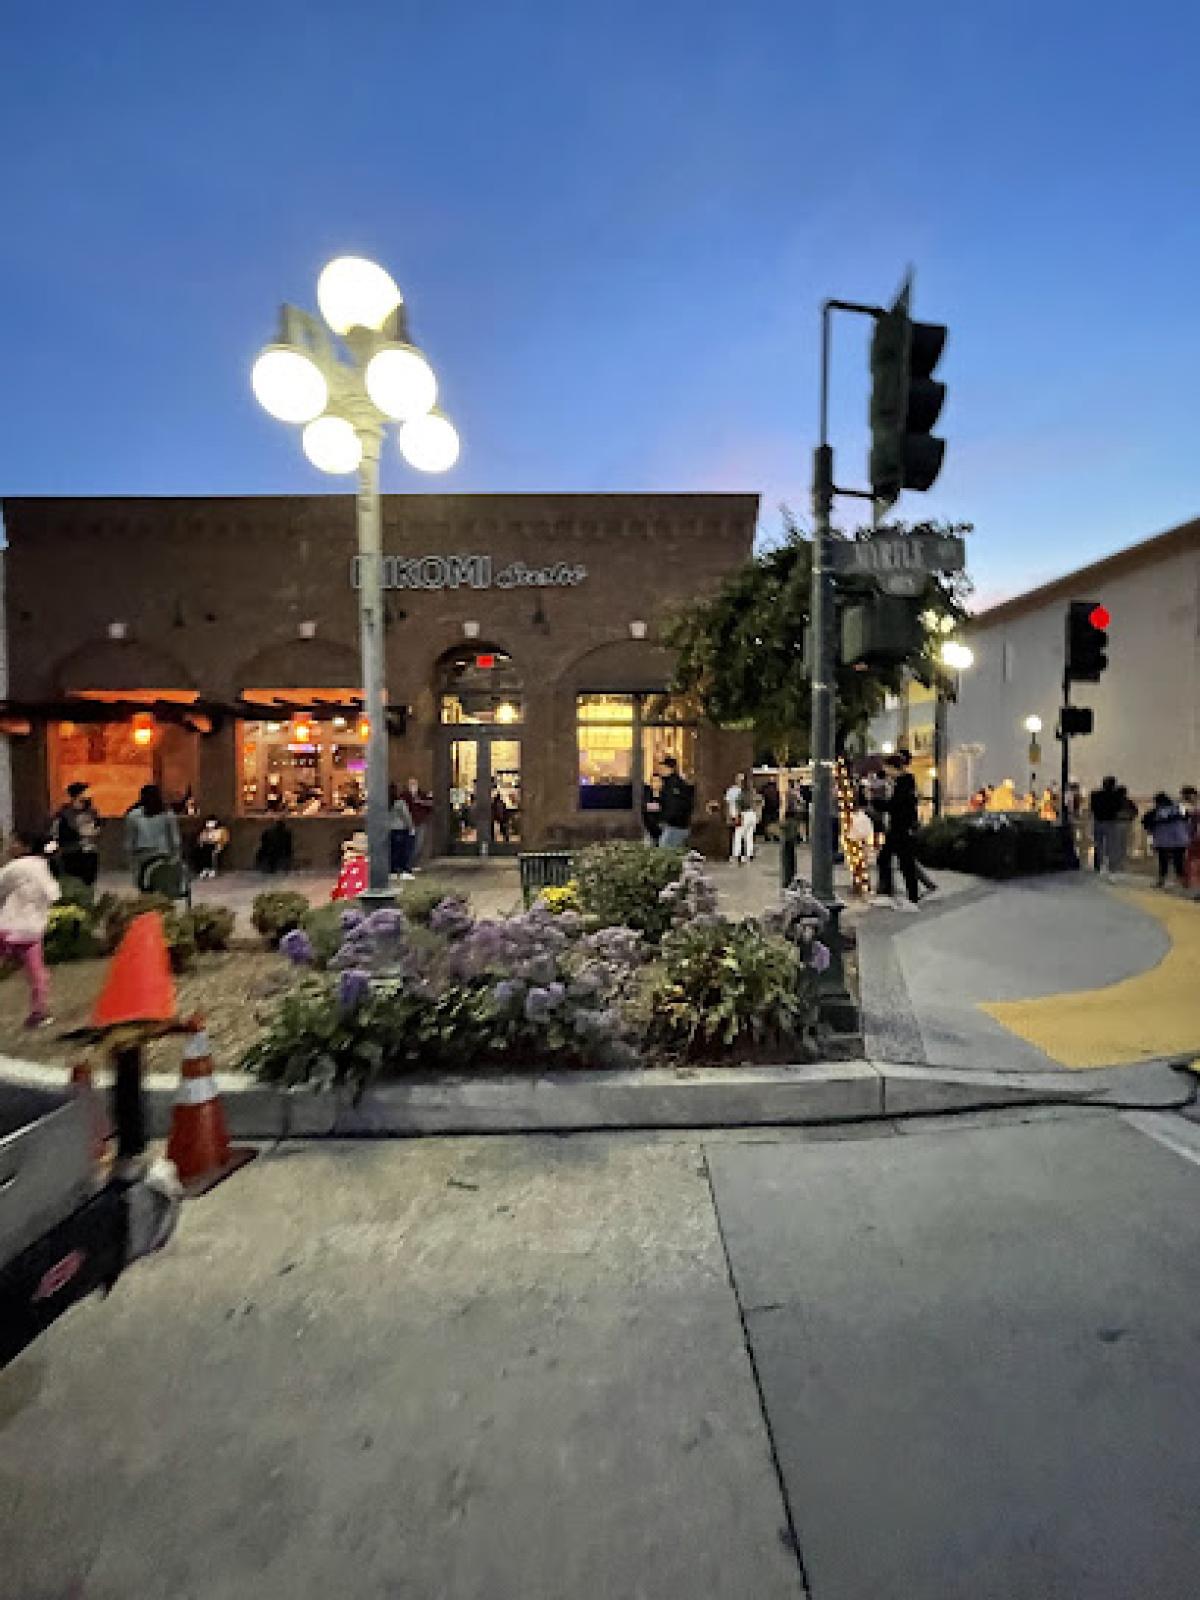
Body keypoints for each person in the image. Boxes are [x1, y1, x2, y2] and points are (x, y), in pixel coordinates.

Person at [0, 831, 60, 1028]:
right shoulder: (43, 867)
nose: (10, 846)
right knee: (37, 975)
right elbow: (53, 894)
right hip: (31, 930)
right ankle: (38, 1013)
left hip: (8, 926)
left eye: (14, 842)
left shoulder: (14, 867)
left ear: (25, 847)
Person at [874, 751, 921, 911]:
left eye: (887, 768)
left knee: (904, 863)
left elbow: (896, 806)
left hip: (901, 829)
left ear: (894, 767)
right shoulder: (903, 782)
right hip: (898, 828)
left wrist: (877, 803)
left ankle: (911, 897)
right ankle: (891, 893)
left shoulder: (904, 783)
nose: (886, 772)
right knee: (888, 860)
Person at [123, 784, 182, 890]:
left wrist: (130, 862)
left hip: (142, 856)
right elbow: (175, 839)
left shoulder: (133, 815)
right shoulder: (168, 814)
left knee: (144, 888)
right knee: (163, 886)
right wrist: (176, 857)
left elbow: (130, 841)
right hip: (164, 855)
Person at [51, 781, 100, 888]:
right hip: (70, 851)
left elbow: (96, 827)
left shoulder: (92, 811)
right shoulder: (64, 813)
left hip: (89, 851)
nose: (89, 795)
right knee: (73, 882)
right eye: (86, 792)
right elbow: (55, 833)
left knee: (88, 882)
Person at [1142, 792, 1190, 888]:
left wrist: (1151, 828)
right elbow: (1187, 817)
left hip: (1163, 841)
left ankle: (1162, 881)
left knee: (1163, 862)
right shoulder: (1179, 809)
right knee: (1179, 861)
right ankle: (1182, 882)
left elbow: (1145, 822)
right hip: (1179, 839)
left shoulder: (1155, 812)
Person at [1089, 775, 1126, 876]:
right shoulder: (1116, 796)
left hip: (1098, 821)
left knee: (1099, 844)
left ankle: (1099, 865)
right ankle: (1111, 866)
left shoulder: (1095, 795)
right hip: (1111, 822)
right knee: (1111, 845)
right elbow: (1119, 808)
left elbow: (1092, 808)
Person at [656, 756, 694, 849]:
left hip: (676, 825)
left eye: (662, 768)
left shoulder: (674, 784)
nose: (660, 770)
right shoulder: (668, 783)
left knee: (665, 849)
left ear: (669, 768)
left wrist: (665, 819)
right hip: (675, 824)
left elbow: (674, 804)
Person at [727, 773, 759, 865]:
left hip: (744, 814)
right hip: (752, 814)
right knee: (749, 836)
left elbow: (737, 805)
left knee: (738, 835)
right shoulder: (751, 791)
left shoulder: (738, 792)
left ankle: (736, 855)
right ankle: (748, 855)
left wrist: (735, 815)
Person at [388, 783, 416, 880]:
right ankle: (404, 870)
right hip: (400, 828)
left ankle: (393, 871)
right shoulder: (400, 803)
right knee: (404, 851)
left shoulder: (386, 803)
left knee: (393, 852)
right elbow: (406, 816)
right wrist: (411, 827)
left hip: (390, 829)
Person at [405, 777, 434, 869]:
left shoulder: (422, 795)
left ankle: (415, 863)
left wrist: (421, 802)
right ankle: (409, 864)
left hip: (421, 822)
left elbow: (430, 805)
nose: (413, 786)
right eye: (411, 784)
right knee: (410, 844)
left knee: (419, 844)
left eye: (414, 784)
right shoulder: (405, 796)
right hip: (409, 823)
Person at [1182, 785, 1200, 889]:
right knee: (1191, 861)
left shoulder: (1195, 808)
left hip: (1196, 839)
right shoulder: (1191, 808)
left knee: (1192, 861)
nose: (1187, 800)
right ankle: (1190, 884)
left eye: (1187, 797)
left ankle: (1190, 884)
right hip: (1194, 839)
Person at [640, 779, 662, 845]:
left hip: (661, 825)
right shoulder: (647, 792)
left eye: (657, 781)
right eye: (654, 782)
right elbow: (644, 806)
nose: (656, 784)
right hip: (650, 825)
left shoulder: (664, 793)